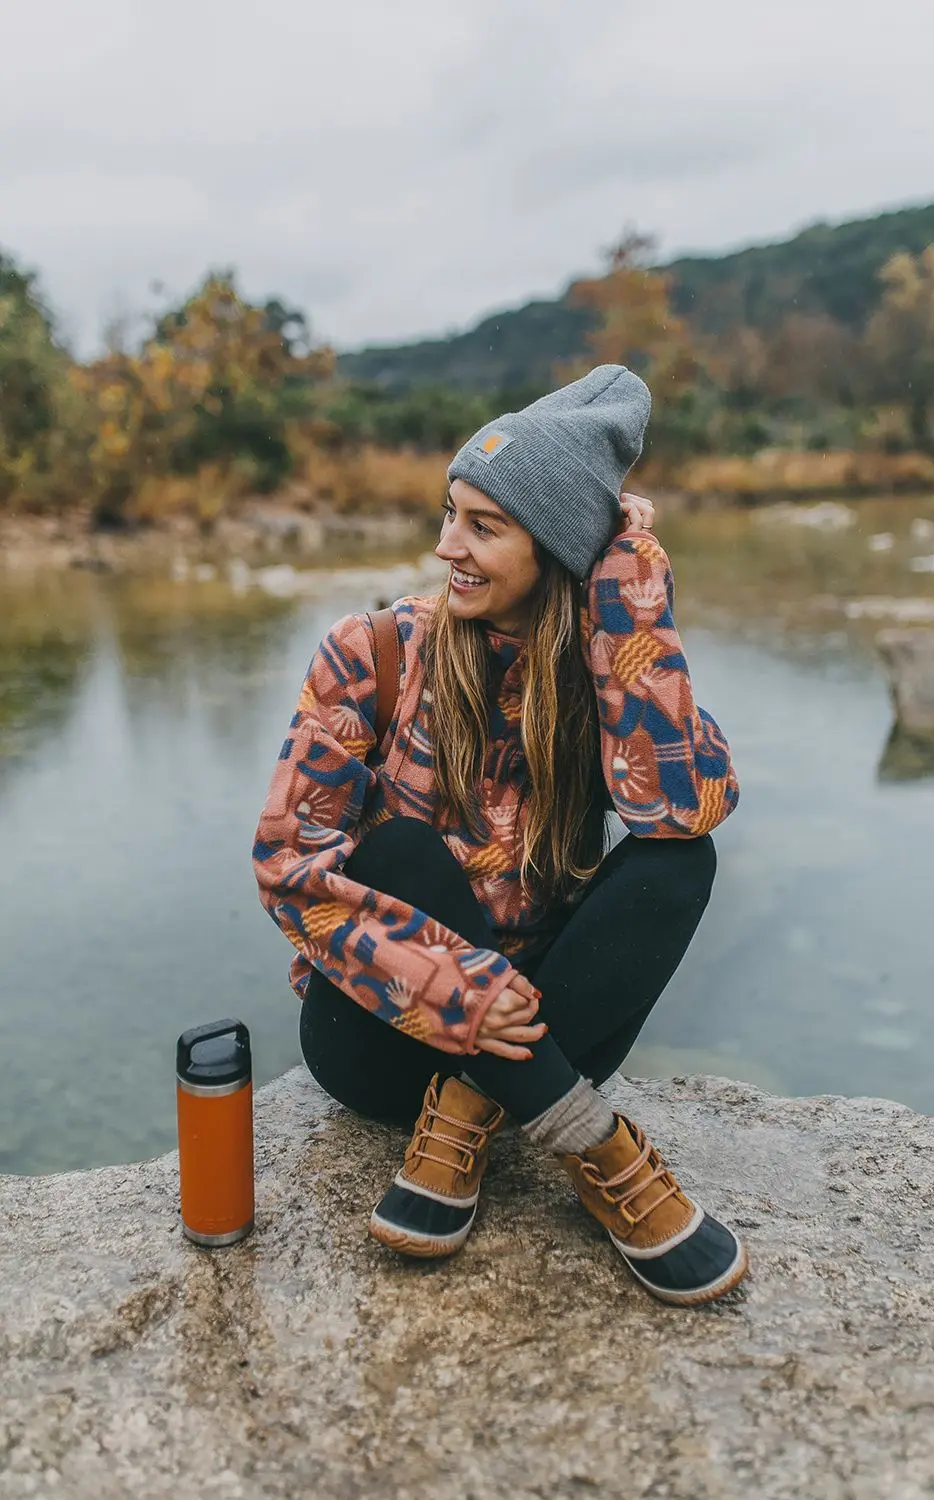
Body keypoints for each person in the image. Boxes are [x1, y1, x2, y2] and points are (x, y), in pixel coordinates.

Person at [252, 364, 747, 1307]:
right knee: (399, 853)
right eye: (449, 515)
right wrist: (464, 993)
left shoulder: (601, 663)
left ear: (557, 548)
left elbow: (683, 809)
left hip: (551, 1016)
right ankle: (600, 1152)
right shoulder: (374, 651)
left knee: (678, 862)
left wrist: (631, 595)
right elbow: (289, 868)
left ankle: (471, 1109)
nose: (447, 548)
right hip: (380, 1039)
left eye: (483, 526)